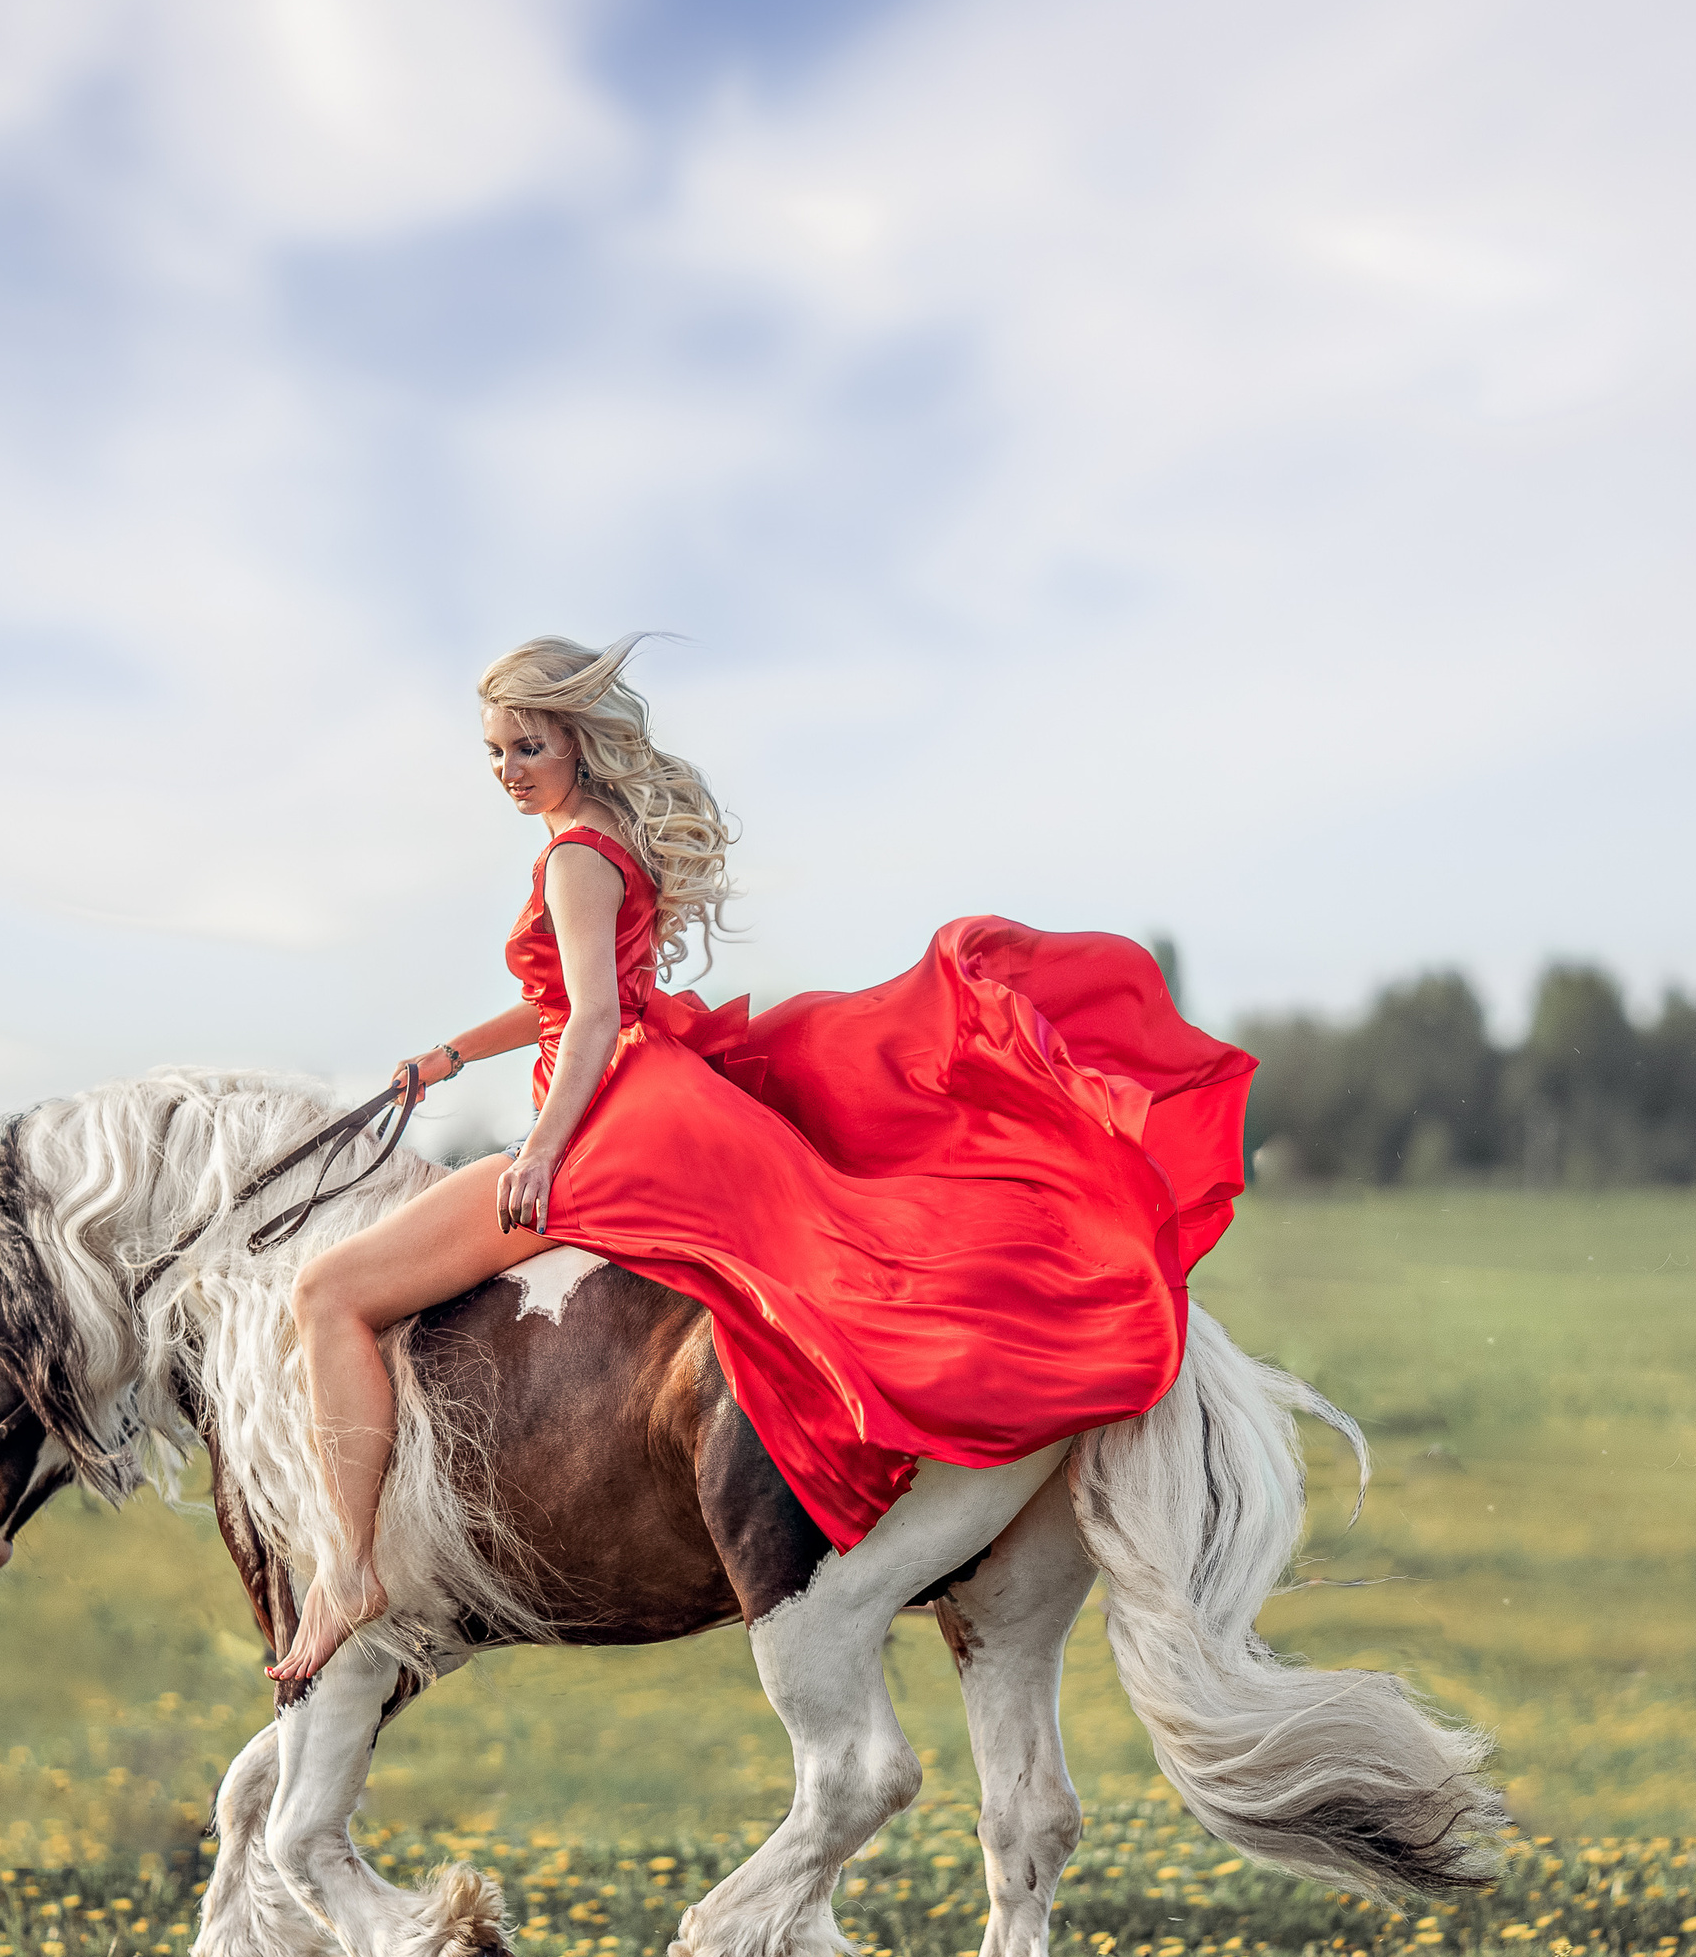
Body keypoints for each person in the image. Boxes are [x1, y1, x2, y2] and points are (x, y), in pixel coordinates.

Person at [272, 635, 1256, 1683]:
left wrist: (542, 1152)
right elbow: (570, 998)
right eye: (494, 752)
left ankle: (348, 1568)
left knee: (328, 1293)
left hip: (602, 1120)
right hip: (638, 1091)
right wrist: (452, 1055)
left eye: (529, 746)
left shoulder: (570, 859)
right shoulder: (593, 839)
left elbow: (594, 1019)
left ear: (579, 741)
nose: (509, 770)